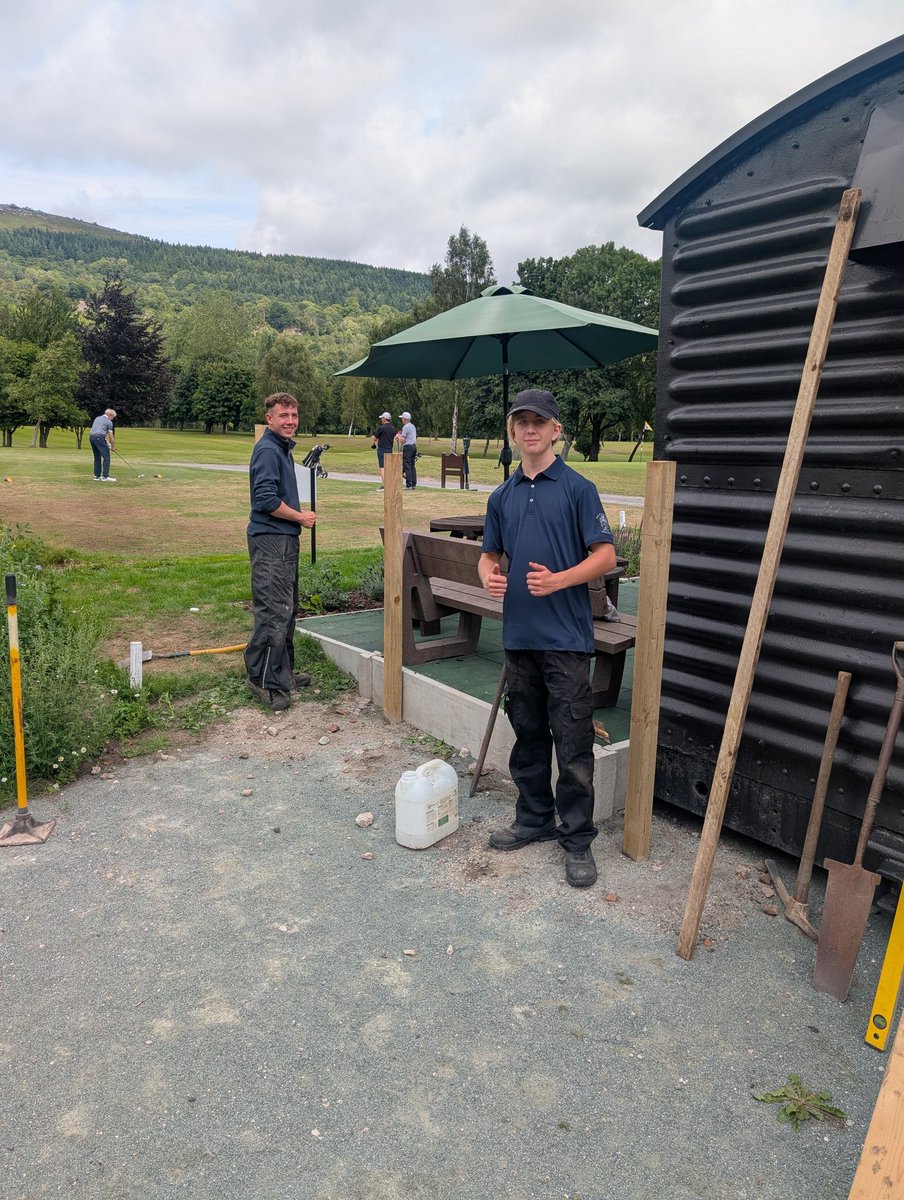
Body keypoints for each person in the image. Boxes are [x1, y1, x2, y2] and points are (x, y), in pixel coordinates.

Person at [478, 389, 616, 888]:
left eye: (539, 421)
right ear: (512, 433)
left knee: (573, 741)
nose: (530, 430)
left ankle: (576, 839)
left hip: (566, 639)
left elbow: (605, 556)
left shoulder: (579, 489)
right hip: (519, 638)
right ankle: (534, 818)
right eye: (521, 423)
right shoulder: (502, 496)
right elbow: (489, 555)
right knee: (529, 735)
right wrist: (487, 575)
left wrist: (560, 579)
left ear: (556, 430)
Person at [243, 392, 316, 712]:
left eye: (293, 416)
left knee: (286, 609)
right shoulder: (268, 450)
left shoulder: (281, 449)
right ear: (269, 419)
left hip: (283, 539)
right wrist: (300, 516)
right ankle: (263, 681)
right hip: (271, 539)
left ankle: (282, 672)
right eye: (283, 416)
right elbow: (265, 500)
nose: (290, 421)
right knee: (273, 612)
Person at [89, 408, 117, 481]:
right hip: (99, 437)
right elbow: (111, 436)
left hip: (92, 437)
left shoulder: (97, 418)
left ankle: (97, 476)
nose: (112, 419)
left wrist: (106, 443)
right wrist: (113, 447)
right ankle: (105, 476)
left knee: (97, 457)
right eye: (113, 417)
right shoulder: (109, 422)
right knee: (106, 457)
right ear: (110, 415)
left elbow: (96, 431)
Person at [371, 412, 396, 490]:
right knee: (388, 467)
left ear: (385, 419)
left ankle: (385, 485)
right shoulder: (393, 428)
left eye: (382, 418)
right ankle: (389, 484)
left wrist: (373, 443)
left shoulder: (381, 428)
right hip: (389, 449)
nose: (381, 419)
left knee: (382, 467)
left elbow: (375, 438)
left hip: (382, 449)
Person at [396, 411, 417, 489]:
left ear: (405, 419)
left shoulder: (405, 427)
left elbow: (402, 440)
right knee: (412, 465)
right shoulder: (412, 426)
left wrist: (398, 436)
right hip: (414, 446)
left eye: (402, 418)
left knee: (407, 465)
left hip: (408, 447)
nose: (401, 420)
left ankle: (408, 484)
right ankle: (414, 483)